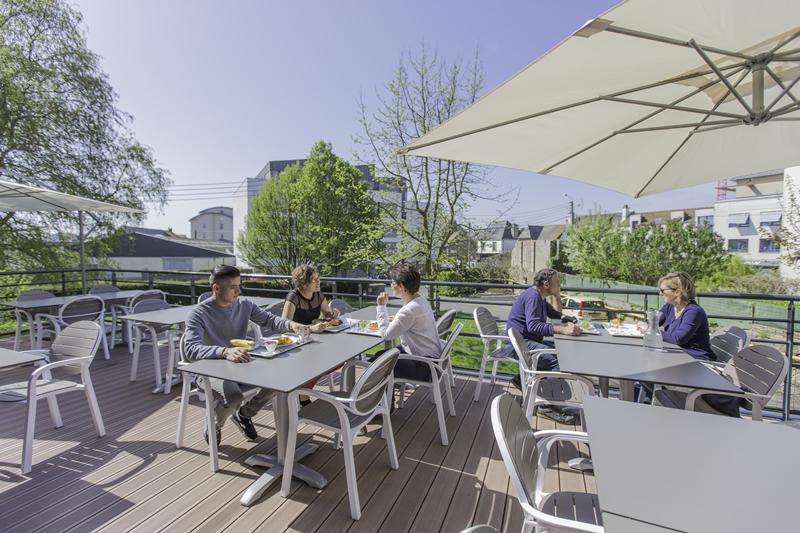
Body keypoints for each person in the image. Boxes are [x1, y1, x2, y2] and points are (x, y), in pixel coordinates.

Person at [184, 265, 312, 444]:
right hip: (209, 370)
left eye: (239, 285)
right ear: (216, 288)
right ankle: (215, 424)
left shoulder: (244, 305)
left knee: (282, 379)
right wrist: (224, 351)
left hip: (241, 364)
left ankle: (244, 414)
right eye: (233, 287)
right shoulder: (198, 314)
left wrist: (292, 325)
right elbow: (190, 349)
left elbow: (269, 320)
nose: (239, 290)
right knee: (233, 395)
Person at [656, 272, 740, 417]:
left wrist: (651, 331)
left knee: (653, 373)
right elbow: (655, 322)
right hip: (679, 357)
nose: (660, 293)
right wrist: (649, 323)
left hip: (696, 360)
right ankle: (653, 403)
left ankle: (662, 408)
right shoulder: (669, 307)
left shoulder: (693, 311)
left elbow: (678, 339)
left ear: (678, 292)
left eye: (663, 291)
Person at [502, 268, 581, 423]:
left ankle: (523, 379)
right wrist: (563, 330)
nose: (559, 285)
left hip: (526, 340)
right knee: (555, 360)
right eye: (557, 283)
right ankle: (546, 406)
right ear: (546, 284)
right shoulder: (533, 297)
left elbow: (555, 314)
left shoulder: (540, 297)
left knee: (560, 352)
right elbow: (533, 326)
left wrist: (560, 302)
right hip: (519, 345)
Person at [375, 264, 442, 384]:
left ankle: (385, 401)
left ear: (400, 286)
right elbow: (413, 320)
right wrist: (398, 319)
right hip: (433, 360)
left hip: (425, 366)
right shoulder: (421, 301)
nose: (391, 285)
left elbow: (386, 335)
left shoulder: (408, 310)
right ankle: (387, 393)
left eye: (392, 282)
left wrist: (381, 306)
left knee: (377, 364)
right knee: (380, 355)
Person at [281, 264, 333, 405]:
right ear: (303, 283)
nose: (318, 282)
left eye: (318, 278)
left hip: (313, 341)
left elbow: (327, 314)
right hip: (295, 344)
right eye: (314, 279)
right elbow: (284, 325)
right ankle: (302, 395)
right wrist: (311, 328)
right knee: (322, 362)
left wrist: (331, 314)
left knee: (336, 360)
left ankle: (303, 391)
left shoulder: (319, 295)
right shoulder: (293, 297)